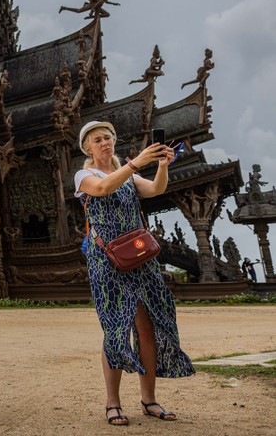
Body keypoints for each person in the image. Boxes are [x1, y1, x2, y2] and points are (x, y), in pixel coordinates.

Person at [74, 121, 194, 426]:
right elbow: (102, 188)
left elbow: (155, 189)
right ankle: (112, 403)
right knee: (115, 326)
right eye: (98, 140)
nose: (104, 143)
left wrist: (162, 165)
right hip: (106, 259)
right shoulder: (85, 175)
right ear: (87, 147)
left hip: (140, 254)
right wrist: (136, 162)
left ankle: (149, 398)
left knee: (147, 325)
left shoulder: (130, 176)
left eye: (108, 138)